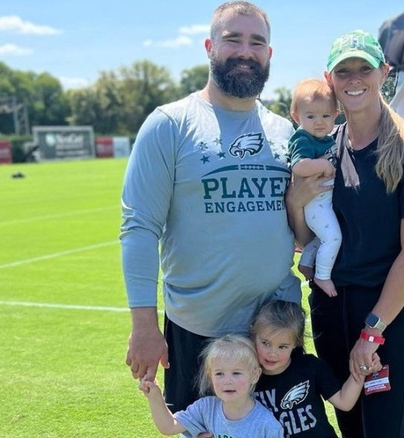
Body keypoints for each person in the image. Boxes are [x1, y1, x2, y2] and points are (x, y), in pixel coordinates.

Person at [120, 0, 303, 414]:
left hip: (274, 332)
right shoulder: (169, 124)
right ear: (209, 47)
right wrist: (144, 326)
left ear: (269, 54)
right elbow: (139, 229)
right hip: (199, 334)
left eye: (257, 42)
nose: (245, 51)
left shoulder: (284, 131)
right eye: (232, 39)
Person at [286, 30, 404, 438]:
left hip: (385, 319)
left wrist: (372, 332)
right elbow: (307, 237)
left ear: (384, 73)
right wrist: (293, 202)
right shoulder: (323, 149)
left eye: (364, 69)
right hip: (330, 312)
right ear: (330, 79)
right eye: (344, 71)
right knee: (351, 429)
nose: (354, 79)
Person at [251, 300, 378, 437]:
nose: (272, 353)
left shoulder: (309, 366)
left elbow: (344, 402)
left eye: (282, 346)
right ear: (253, 334)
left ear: (296, 343)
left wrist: (361, 369)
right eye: (265, 343)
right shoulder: (248, 378)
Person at [140, 334, 284, 437]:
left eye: (236, 373)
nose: (227, 381)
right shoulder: (205, 408)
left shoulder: (267, 425)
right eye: (219, 374)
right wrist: (155, 397)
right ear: (210, 375)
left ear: (255, 375)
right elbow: (169, 426)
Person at [287, 78, 341, 297]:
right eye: (311, 116)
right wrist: (324, 164)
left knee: (321, 238)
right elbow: (299, 166)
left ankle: (306, 262)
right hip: (315, 204)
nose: (319, 122)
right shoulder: (302, 139)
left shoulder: (326, 138)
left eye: (326, 116)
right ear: (296, 117)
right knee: (333, 238)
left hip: (323, 201)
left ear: (335, 115)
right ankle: (323, 275)